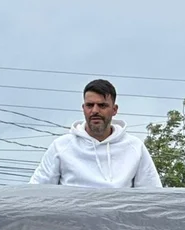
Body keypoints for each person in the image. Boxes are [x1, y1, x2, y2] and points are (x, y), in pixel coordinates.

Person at [30, 79, 162, 188]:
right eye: (89, 105)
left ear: (114, 109)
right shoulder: (61, 147)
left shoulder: (135, 148)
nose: (95, 110)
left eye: (102, 105)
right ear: (83, 108)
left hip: (119, 220)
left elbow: (152, 197)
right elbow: (35, 193)